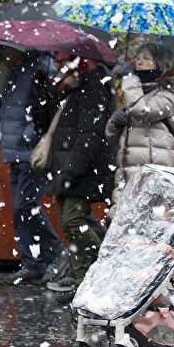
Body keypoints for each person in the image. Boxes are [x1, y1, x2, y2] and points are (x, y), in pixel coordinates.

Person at [0, 46, 66, 285]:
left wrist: (30, 135)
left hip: (31, 153)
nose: (4, 54)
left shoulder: (40, 68)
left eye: (8, 49)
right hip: (15, 152)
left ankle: (58, 254)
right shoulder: (14, 74)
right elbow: (4, 114)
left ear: (21, 49)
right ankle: (33, 263)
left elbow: (49, 108)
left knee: (25, 207)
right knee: (20, 210)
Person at [43, 54, 115, 296]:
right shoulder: (71, 87)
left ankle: (96, 272)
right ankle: (86, 275)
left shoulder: (92, 86)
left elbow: (90, 134)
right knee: (69, 222)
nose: (59, 65)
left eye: (64, 60)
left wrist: (71, 170)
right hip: (68, 165)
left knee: (73, 221)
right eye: (57, 60)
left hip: (82, 168)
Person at [105, 43, 174, 214]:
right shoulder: (133, 93)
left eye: (146, 58)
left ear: (160, 63)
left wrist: (129, 81)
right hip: (129, 172)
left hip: (157, 171)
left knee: (155, 222)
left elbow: (142, 112)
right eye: (137, 58)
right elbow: (113, 138)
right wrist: (115, 123)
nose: (139, 62)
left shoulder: (168, 95)